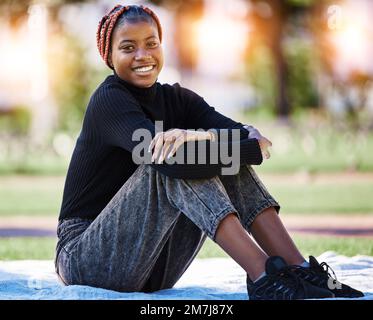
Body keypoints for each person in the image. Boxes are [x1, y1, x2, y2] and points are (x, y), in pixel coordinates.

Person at [54, 4, 364, 300]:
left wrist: (199, 135)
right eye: (128, 47)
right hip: (86, 257)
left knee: (214, 155)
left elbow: (251, 140)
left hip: (153, 264)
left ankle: (299, 270)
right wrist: (224, 144)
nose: (142, 55)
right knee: (171, 160)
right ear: (108, 55)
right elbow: (187, 159)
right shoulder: (109, 101)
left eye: (151, 43)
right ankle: (266, 277)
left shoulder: (179, 99)